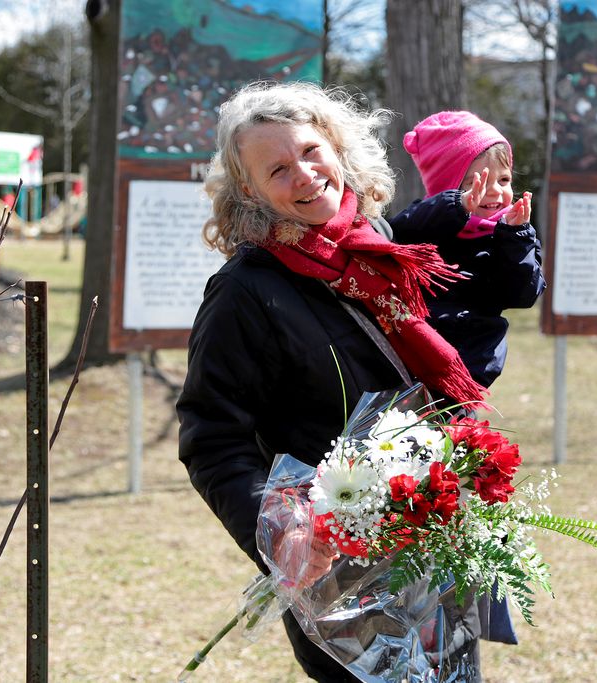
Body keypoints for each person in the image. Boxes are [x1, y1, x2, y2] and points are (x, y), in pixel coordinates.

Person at [177, 81, 487, 682]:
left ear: (338, 147)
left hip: (431, 537)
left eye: (312, 152)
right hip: (336, 567)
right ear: (249, 189)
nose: (305, 175)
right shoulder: (244, 291)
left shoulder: (381, 247)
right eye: (278, 169)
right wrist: (285, 538)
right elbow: (212, 438)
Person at [394, 110, 545, 388]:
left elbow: (522, 295)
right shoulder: (426, 222)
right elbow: (396, 232)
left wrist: (515, 238)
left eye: (503, 180)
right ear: (447, 188)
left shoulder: (512, 232)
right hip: (414, 363)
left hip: (472, 371)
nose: (496, 192)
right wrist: (455, 208)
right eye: (478, 183)